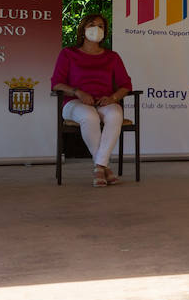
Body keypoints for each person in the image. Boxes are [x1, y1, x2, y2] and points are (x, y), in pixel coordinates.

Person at [51, 13, 133, 188]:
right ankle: (103, 167)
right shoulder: (68, 54)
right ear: (83, 29)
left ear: (105, 31)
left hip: (103, 101)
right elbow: (56, 84)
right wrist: (78, 92)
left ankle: (99, 167)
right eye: (92, 25)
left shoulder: (112, 57)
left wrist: (113, 98)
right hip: (74, 103)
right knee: (89, 116)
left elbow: (126, 85)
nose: (97, 29)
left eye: (101, 26)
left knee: (115, 114)